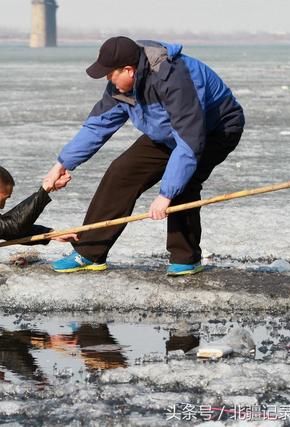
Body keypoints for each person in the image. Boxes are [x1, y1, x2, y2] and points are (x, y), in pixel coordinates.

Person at [43, 36, 244, 275]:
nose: (108, 80)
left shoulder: (174, 78)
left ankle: (186, 257)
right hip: (167, 132)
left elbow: (189, 142)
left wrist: (165, 193)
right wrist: (62, 164)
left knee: (184, 183)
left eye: (110, 74)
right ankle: (89, 252)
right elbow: (97, 126)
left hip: (214, 129)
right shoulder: (120, 87)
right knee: (122, 172)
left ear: (129, 70)